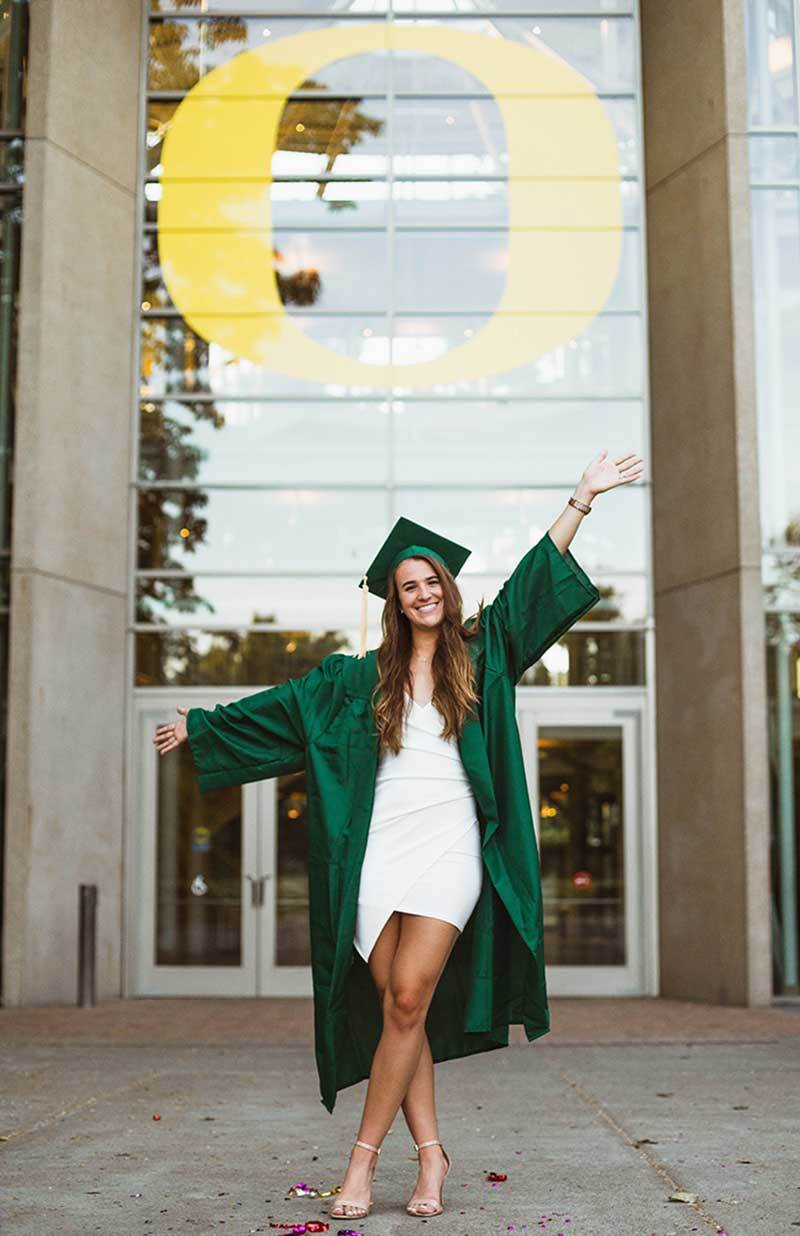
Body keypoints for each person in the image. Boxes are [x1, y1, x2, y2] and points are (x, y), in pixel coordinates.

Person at [154, 447, 643, 1221]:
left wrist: (581, 499)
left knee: (410, 994)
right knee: (398, 1011)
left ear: (448, 591)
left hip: (452, 848)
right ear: (395, 600)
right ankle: (433, 1156)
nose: (422, 594)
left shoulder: (485, 654)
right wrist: (204, 725)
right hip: (378, 855)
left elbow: (529, 587)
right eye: (408, 586)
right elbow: (284, 710)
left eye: (431, 583)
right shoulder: (358, 679)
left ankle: (359, 1166)